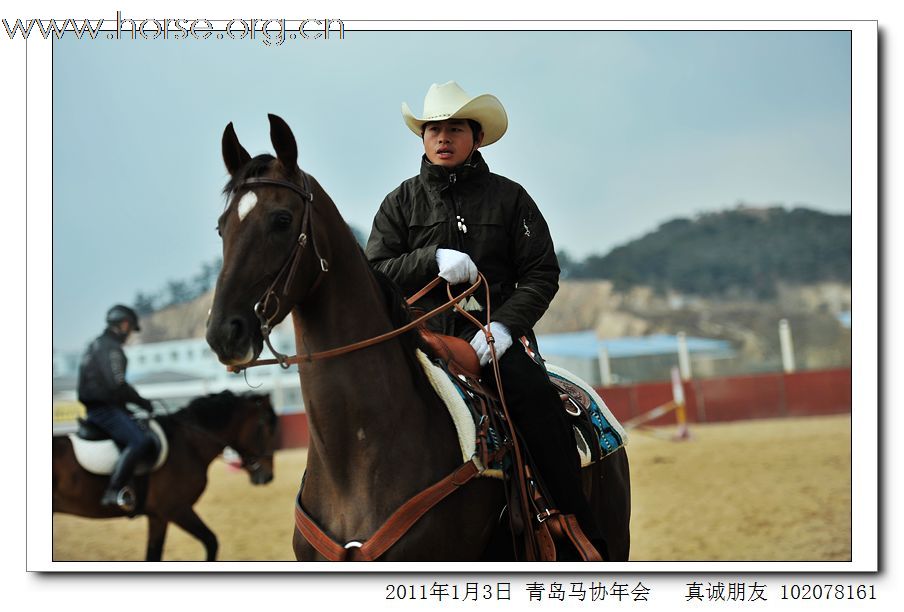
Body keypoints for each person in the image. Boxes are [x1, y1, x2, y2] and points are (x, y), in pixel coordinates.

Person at [365, 81, 603, 557]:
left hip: (495, 340)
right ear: (423, 138)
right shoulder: (399, 203)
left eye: (454, 128)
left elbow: (541, 272)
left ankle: (570, 521)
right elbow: (373, 272)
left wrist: (504, 327)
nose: (443, 138)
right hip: (421, 337)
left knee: (537, 401)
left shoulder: (511, 199)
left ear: (475, 136)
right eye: (434, 129)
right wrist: (429, 257)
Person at [77, 304, 156, 512]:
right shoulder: (110, 348)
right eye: (130, 330)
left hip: (100, 406)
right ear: (124, 325)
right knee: (139, 441)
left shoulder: (96, 344)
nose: (129, 335)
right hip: (104, 409)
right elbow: (118, 385)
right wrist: (143, 402)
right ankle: (114, 490)